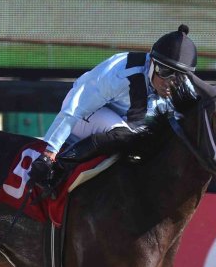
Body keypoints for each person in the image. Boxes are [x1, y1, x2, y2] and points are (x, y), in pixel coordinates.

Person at [29, 24, 198, 192]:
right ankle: (58, 168)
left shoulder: (185, 88)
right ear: (152, 62)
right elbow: (75, 107)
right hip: (85, 112)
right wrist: (49, 152)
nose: (170, 83)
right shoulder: (119, 74)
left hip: (124, 122)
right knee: (125, 136)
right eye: (165, 71)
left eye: (179, 77)